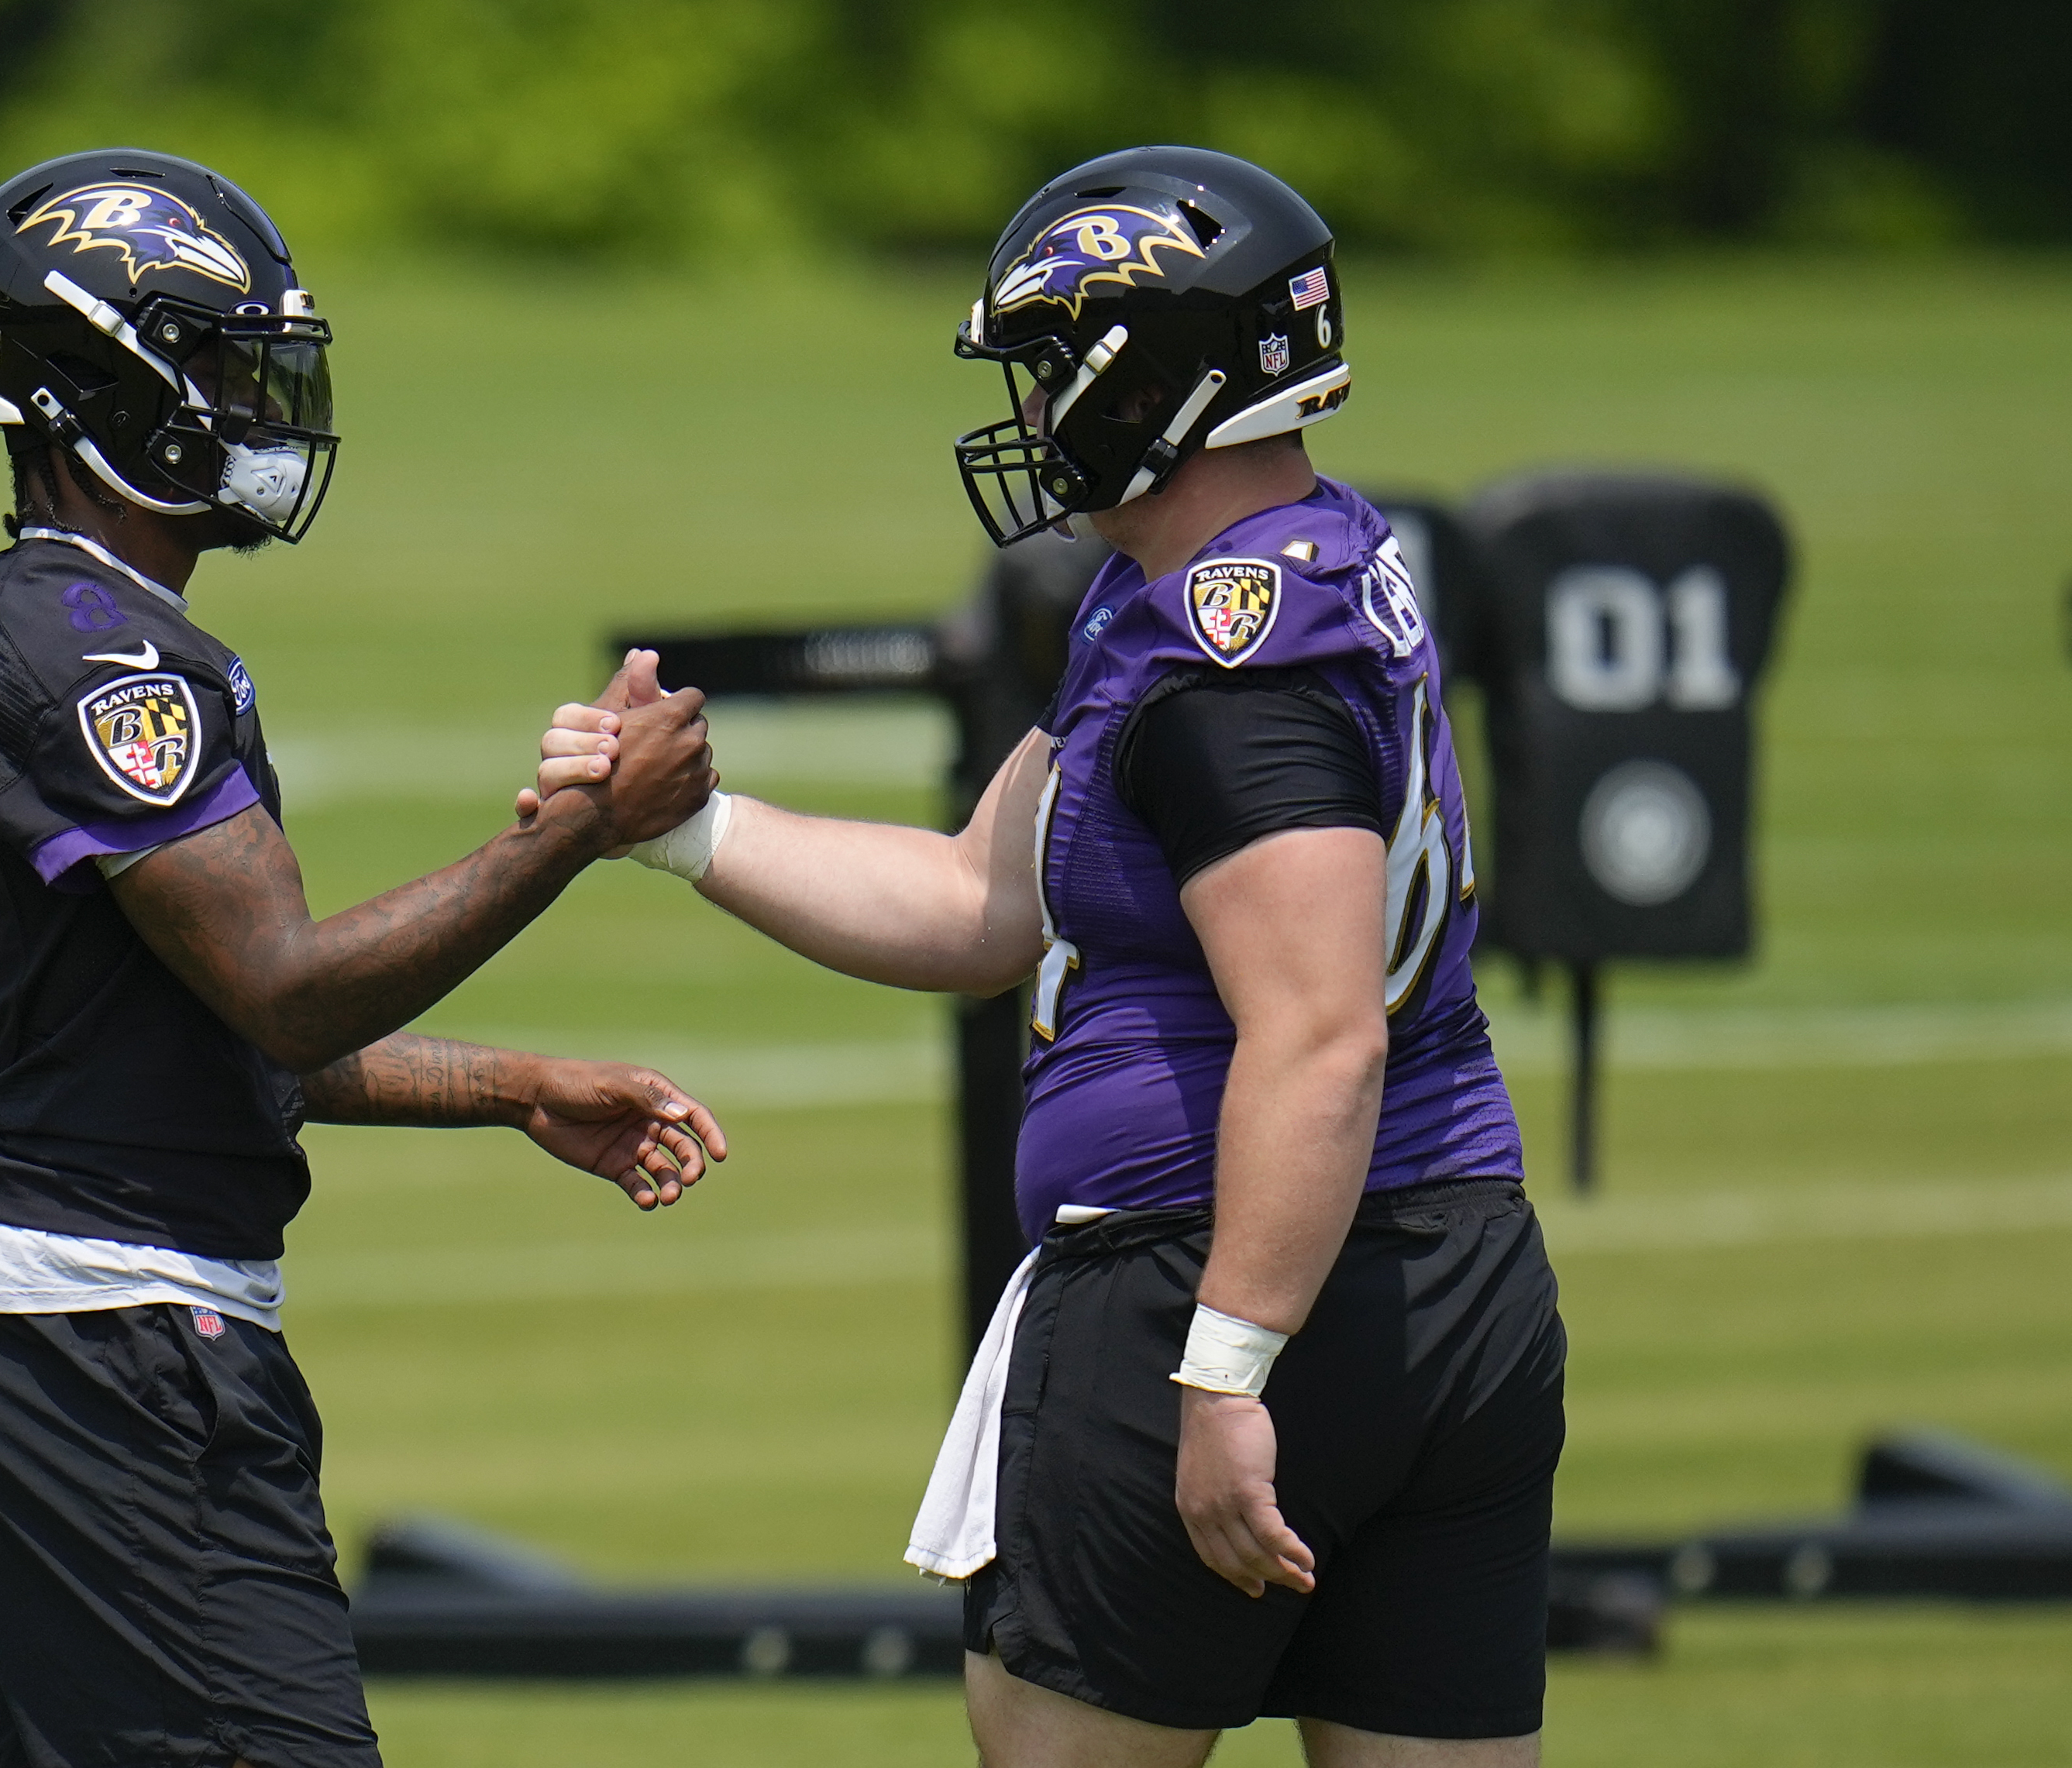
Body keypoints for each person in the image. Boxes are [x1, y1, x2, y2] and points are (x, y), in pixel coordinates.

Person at [528, 147, 1564, 1766]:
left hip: (1218, 1273)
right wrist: (683, 828)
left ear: (1148, 375)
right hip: (1445, 1278)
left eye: (1044, 365)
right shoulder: (1272, 568)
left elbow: (1317, 1037)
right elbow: (976, 900)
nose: (1025, 409)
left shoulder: (1224, 663)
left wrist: (1223, 1370)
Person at [0, 149, 725, 1768]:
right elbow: (282, 987)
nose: (253, 401)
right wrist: (580, 825)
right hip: (106, 1330)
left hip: (68, 1315)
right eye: (213, 361)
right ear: (102, 385)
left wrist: (507, 1085)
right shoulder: (97, 651)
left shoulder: (86, 624)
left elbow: (200, 1030)